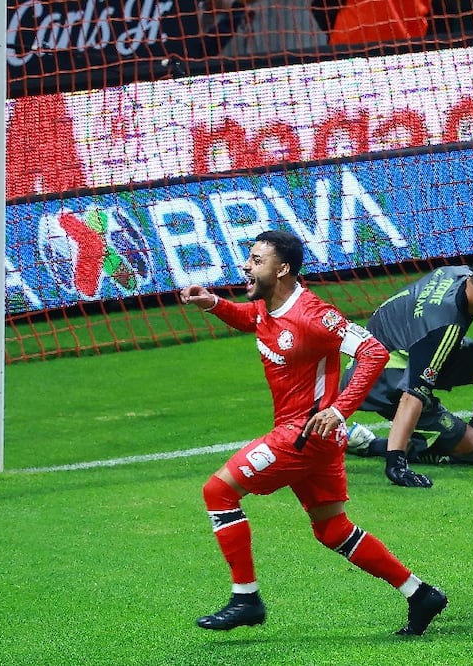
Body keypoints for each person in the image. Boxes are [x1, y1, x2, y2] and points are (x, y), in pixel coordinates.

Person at [180, 230, 447, 635]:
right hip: (311, 439)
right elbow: (251, 319)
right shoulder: (267, 305)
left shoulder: (314, 315)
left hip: (303, 436)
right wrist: (214, 304)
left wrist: (340, 409)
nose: (246, 266)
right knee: (332, 528)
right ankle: (420, 594)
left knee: (218, 492)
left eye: (255, 260)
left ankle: (245, 597)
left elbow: (373, 351)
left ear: (282, 269)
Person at [339, 250, 473, 488]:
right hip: (382, 378)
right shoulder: (443, 328)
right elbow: (412, 396)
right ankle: (370, 443)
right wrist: (395, 463)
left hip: (408, 349)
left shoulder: (463, 275)